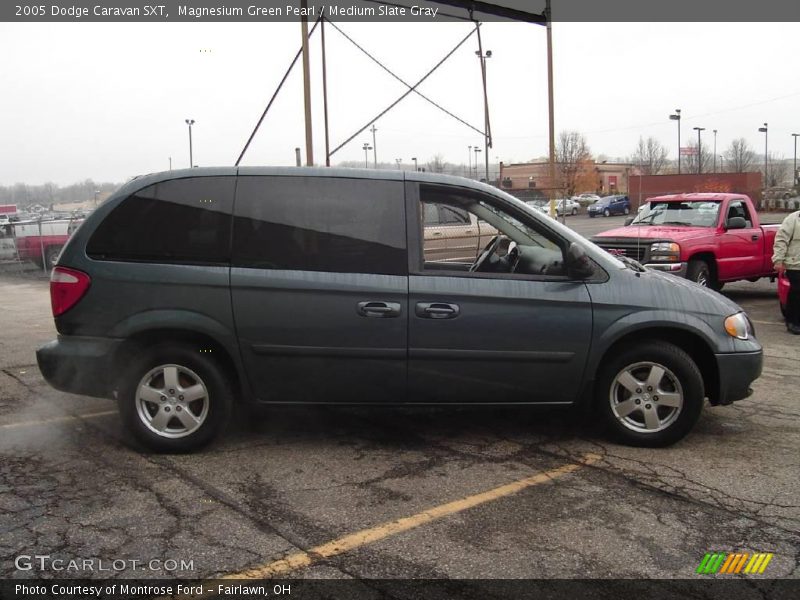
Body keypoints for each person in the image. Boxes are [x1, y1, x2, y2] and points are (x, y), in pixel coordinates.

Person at [772, 209, 800, 334]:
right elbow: (781, 240)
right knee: (796, 293)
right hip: (795, 264)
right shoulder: (793, 219)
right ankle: (792, 322)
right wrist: (778, 260)